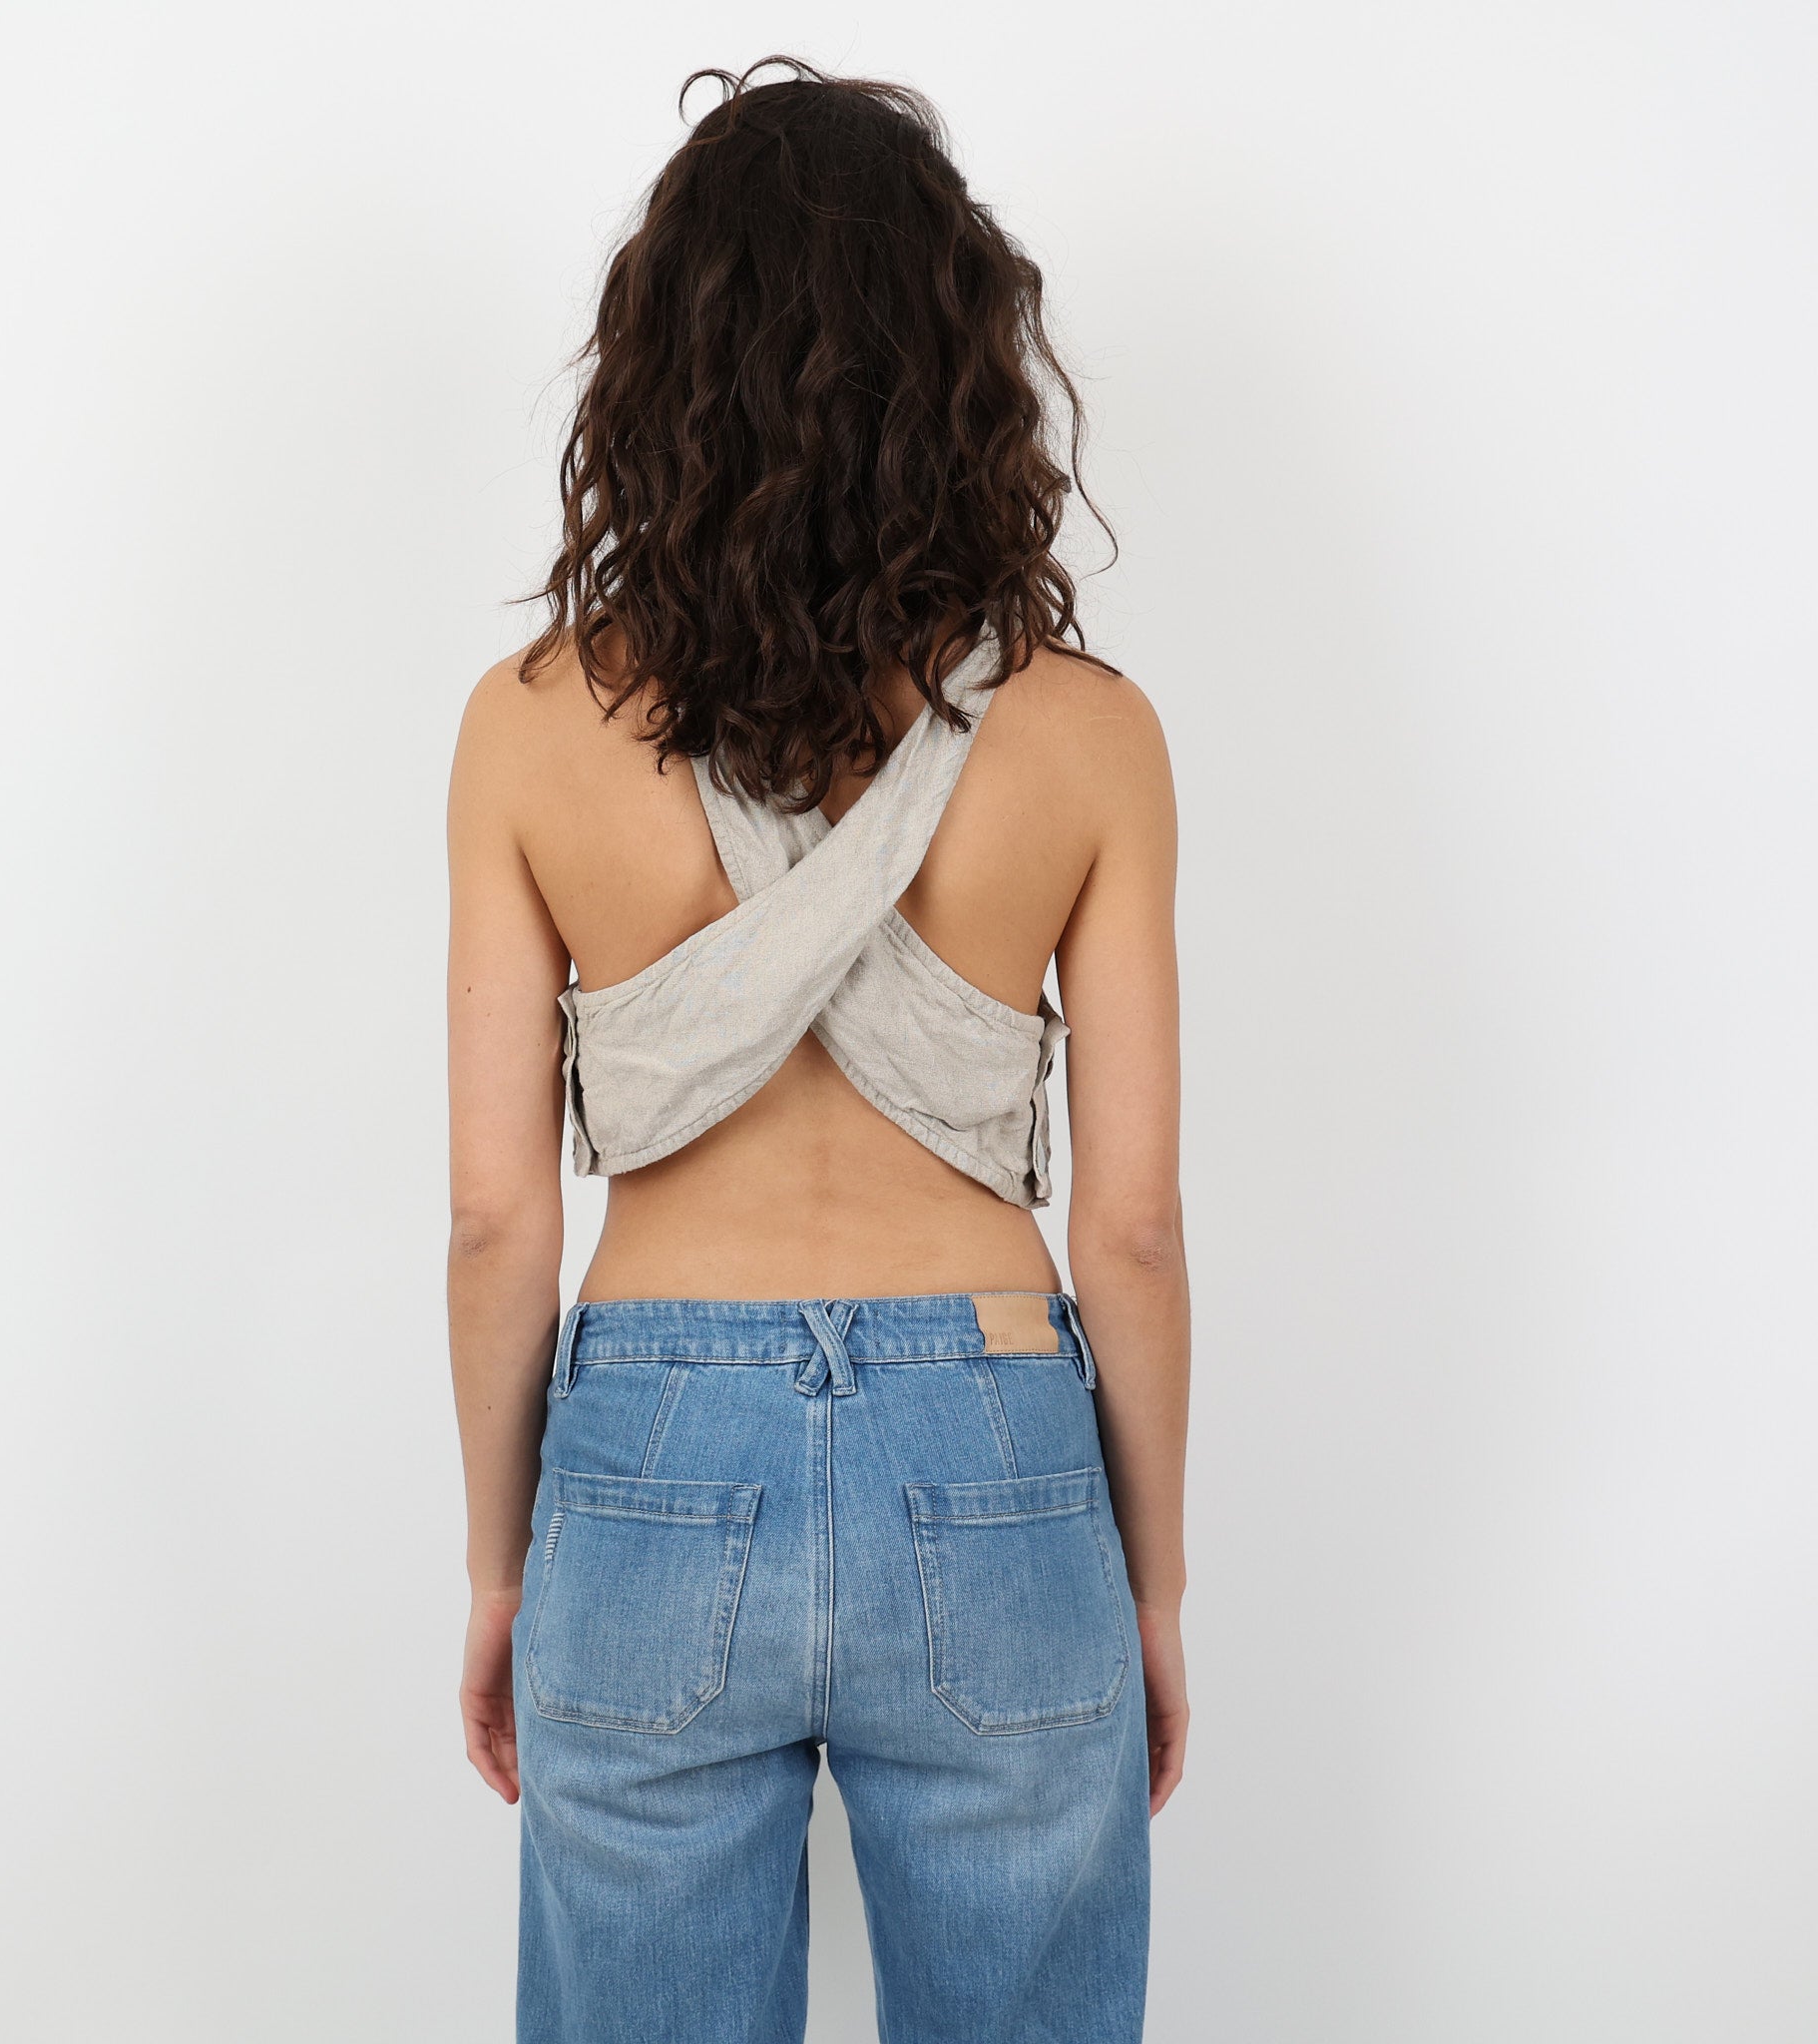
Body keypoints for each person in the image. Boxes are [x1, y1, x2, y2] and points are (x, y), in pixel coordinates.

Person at [446, 58, 1188, 2044]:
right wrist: (1148, 1586)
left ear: (658, 373)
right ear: (965, 374)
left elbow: (497, 1223)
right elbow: (1127, 1231)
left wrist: (506, 1568)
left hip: (648, 1458)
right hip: (998, 1447)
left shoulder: (528, 727)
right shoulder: (1092, 738)